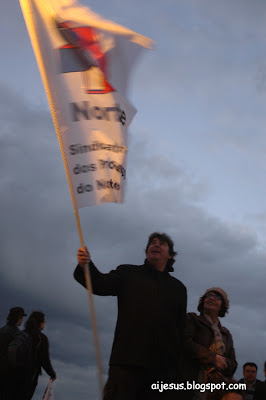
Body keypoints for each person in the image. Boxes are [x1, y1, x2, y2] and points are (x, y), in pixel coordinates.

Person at [74, 232, 187, 399]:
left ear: (170, 255)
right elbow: (100, 284)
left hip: (163, 370)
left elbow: (180, 330)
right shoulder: (128, 273)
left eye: (162, 243)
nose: (155, 245)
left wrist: (177, 372)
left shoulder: (179, 289)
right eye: (152, 242)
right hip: (126, 364)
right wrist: (86, 265)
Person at [182, 287, 237, 400]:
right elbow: (185, 343)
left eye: (217, 297)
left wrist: (222, 365)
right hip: (191, 383)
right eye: (209, 295)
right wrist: (213, 358)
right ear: (203, 301)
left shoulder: (225, 334)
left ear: (223, 305)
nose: (212, 298)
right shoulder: (192, 319)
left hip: (215, 389)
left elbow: (233, 364)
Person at [8, 311, 56, 400]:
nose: (44, 324)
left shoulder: (20, 334)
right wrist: (52, 373)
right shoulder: (41, 338)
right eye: (44, 322)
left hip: (12, 374)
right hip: (30, 376)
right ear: (40, 323)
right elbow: (45, 360)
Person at [0, 307, 27, 399]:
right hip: (10, 375)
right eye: (21, 317)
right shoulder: (18, 335)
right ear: (19, 317)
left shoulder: (1, 331)